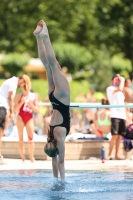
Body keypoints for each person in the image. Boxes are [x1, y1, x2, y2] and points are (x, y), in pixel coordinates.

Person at [33, 20, 70, 183]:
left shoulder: (59, 137)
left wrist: (61, 183)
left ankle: (45, 37)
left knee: (54, 65)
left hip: (61, 98)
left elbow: (60, 162)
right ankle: (38, 37)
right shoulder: (50, 136)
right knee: (48, 66)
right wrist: (55, 180)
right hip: (53, 98)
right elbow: (55, 161)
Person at [0, 75, 26, 164]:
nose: (23, 86)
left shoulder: (11, 82)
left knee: (0, 134)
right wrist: (11, 112)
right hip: (1, 107)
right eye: (24, 83)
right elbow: (10, 98)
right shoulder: (12, 83)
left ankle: (0, 157)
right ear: (21, 79)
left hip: (3, 107)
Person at [14, 75, 38, 162]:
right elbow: (15, 109)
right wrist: (22, 102)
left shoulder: (34, 96)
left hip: (29, 117)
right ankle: (23, 158)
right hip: (20, 117)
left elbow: (36, 109)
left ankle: (31, 157)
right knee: (20, 139)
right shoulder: (18, 96)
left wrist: (30, 104)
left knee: (30, 139)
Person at [106, 74, 126, 160]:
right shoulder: (110, 89)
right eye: (116, 79)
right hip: (115, 115)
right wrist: (122, 80)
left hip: (122, 115)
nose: (118, 81)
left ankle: (117, 154)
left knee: (119, 136)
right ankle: (109, 154)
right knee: (114, 135)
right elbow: (120, 88)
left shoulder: (120, 92)